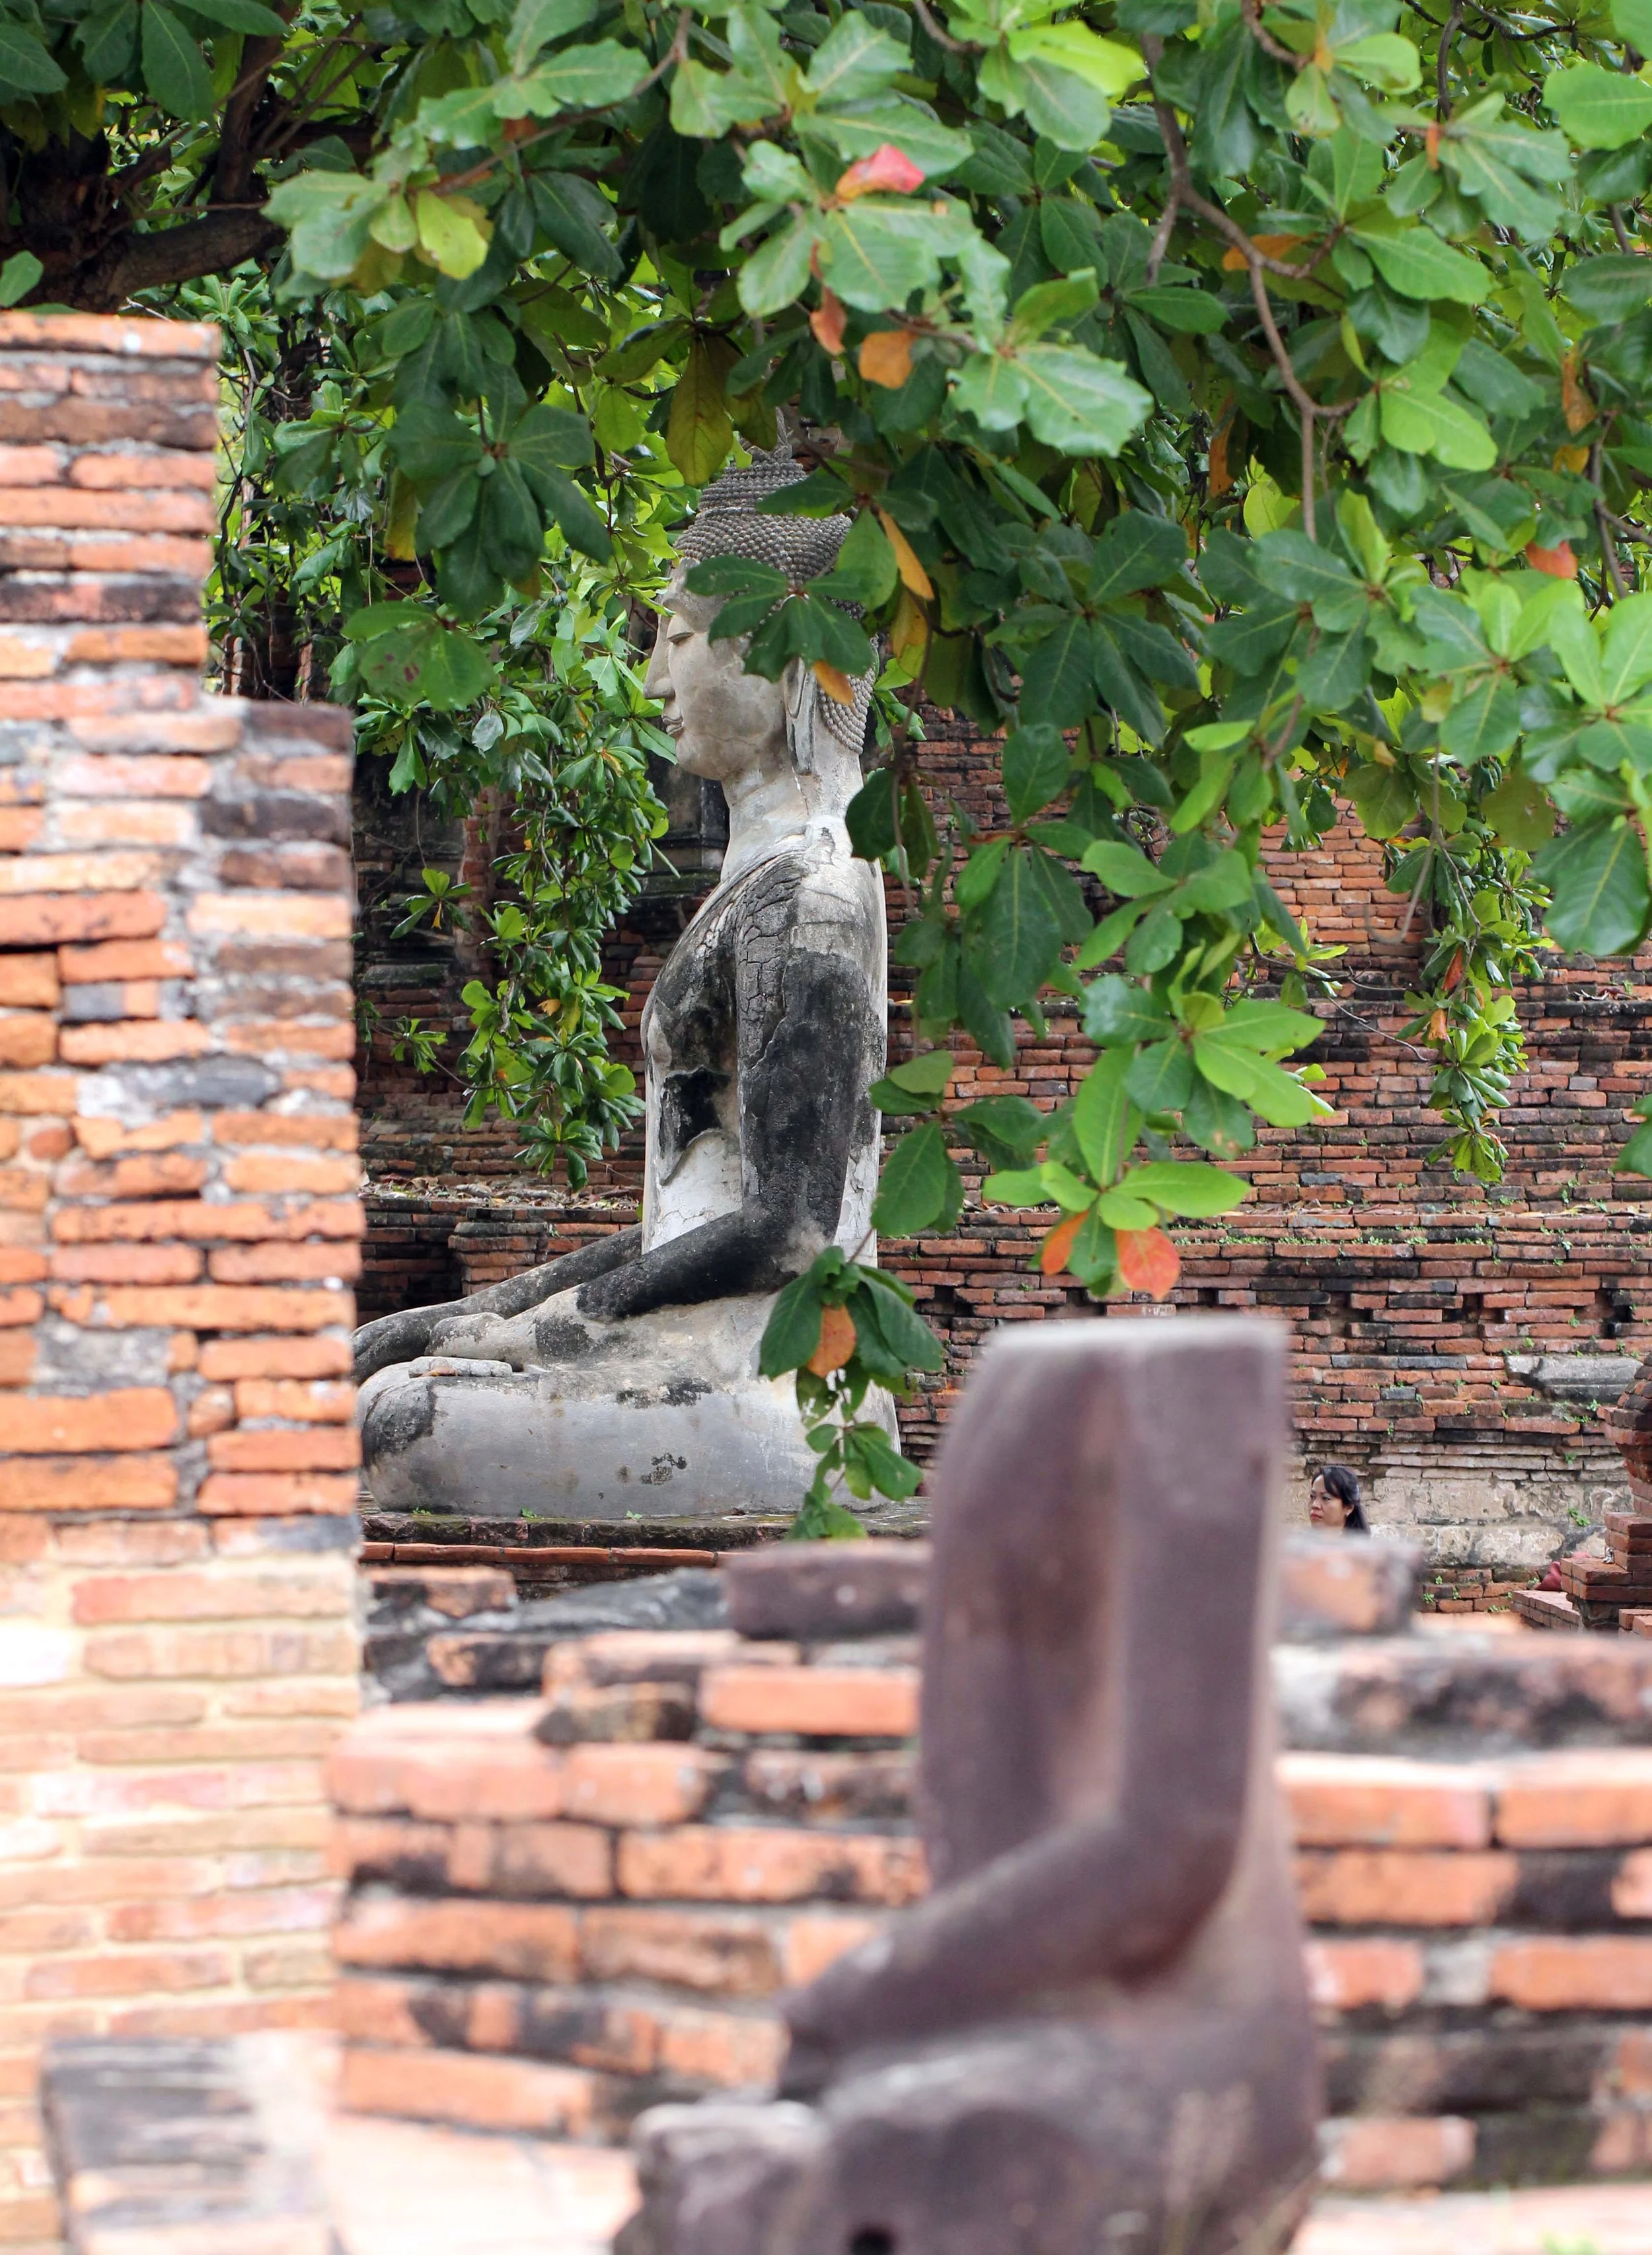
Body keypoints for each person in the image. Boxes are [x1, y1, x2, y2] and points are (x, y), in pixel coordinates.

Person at [1309, 1461, 1369, 1533]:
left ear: (1348, 1508)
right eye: (1313, 1497)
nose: (1315, 1505)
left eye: (1326, 1498)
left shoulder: (1358, 1544)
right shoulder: (1300, 1542)